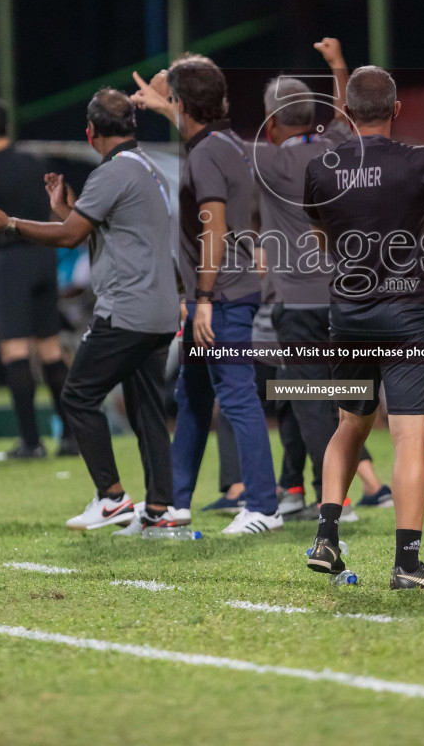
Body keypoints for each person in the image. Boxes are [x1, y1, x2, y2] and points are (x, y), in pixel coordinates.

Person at [0, 89, 183, 533]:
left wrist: (8, 223)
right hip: (159, 309)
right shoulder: (146, 167)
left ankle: (112, 498)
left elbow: (68, 237)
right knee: (146, 411)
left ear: (90, 132)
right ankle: (161, 509)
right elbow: (96, 230)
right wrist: (66, 211)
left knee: (77, 396)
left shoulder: (112, 172)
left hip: (127, 310)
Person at [301, 66, 424, 589]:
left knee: (349, 427)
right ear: (397, 110)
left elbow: (321, 242)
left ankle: (327, 538)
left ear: (348, 112)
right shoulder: (422, 163)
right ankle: (406, 564)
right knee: (408, 438)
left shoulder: (321, 169)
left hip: (349, 317)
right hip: (406, 319)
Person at [131, 54, 284, 535]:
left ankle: (263, 506)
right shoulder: (225, 142)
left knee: (236, 396)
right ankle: (174, 502)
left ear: (184, 103)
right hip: (228, 291)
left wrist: (201, 296)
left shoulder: (206, 154)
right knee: (193, 396)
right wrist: (165, 104)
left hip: (221, 296)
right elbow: (192, 123)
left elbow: (212, 228)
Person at [253, 37, 385, 522]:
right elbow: (350, 116)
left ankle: (336, 500)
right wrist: (337, 64)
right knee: (301, 394)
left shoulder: (267, 160)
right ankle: (295, 489)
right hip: (344, 300)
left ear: (270, 124)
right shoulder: (335, 147)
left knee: (309, 402)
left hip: (298, 303)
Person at [0, 97, 74, 462]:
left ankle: (30, 442)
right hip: (45, 257)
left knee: (15, 352)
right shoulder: (35, 162)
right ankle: (71, 437)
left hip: (12, 263)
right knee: (51, 350)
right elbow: (63, 204)